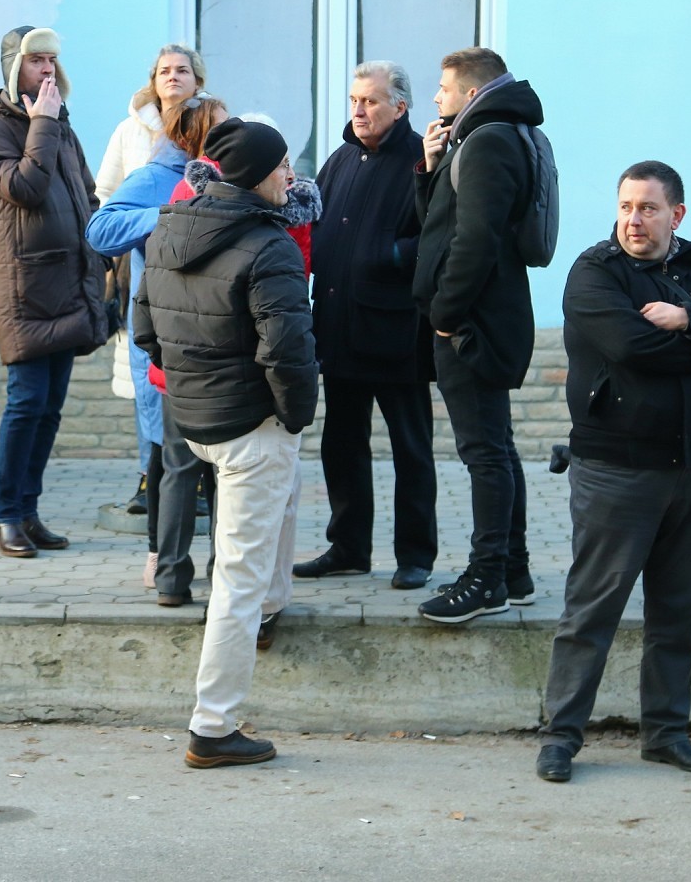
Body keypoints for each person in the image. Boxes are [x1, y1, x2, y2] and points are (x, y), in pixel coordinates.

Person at [535, 161, 691, 784]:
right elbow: (632, 346)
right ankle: (560, 737)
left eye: (648, 208)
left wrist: (688, 319)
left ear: (677, 215)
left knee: (678, 613)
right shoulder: (594, 271)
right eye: (626, 207)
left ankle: (666, 734)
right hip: (618, 468)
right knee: (592, 611)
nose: (634, 220)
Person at [132, 118, 317, 768]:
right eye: (283, 165)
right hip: (250, 428)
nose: (291, 176)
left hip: (196, 420)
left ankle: (272, 605)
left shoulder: (169, 228)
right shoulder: (271, 247)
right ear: (258, 174)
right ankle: (212, 727)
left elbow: (146, 331)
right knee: (237, 582)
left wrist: (191, 388)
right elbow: (289, 353)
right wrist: (293, 418)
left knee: (274, 518)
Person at [411, 47, 544, 623]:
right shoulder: (490, 135)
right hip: (481, 315)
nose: (436, 97)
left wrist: (446, 312)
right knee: (496, 446)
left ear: (470, 92)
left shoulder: (489, 140)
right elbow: (441, 224)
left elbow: (476, 239)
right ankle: (513, 571)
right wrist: (430, 167)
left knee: (484, 453)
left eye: (443, 88)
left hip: (473, 322)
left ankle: (487, 578)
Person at [295, 60, 437, 590]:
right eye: (355, 100)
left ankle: (416, 555)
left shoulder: (424, 158)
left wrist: (387, 256)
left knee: (410, 449)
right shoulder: (340, 158)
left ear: (400, 106)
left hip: (396, 331)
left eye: (370, 101)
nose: (359, 110)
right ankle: (348, 548)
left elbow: (440, 236)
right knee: (341, 444)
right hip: (338, 325)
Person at [0, 25, 109, 558]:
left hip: (69, 280)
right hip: (25, 285)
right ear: (14, 67)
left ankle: (28, 511)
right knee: (26, 404)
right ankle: (6, 517)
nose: (47, 69)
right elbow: (23, 188)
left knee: (49, 408)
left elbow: (85, 193)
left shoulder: (58, 124)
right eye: (36, 60)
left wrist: (101, 249)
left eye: (51, 59)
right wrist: (44, 123)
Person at [89, 95, 228, 602]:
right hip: (167, 339)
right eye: (220, 129)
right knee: (168, 459)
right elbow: (100, 230)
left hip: (218, 342)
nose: (229, 137)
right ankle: (161, 559)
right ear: (192, 136)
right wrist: (171, 214)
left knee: (216, 467)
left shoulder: (228, 176)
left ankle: (221, 569)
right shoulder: (156, 175)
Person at [95, 44, 207, 516]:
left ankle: (195, 480)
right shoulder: (131, 130)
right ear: (153, 79)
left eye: (182, 70)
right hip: (142, 265)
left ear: (198, 80)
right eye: (165, 70)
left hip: (202, 273)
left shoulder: (212, 124)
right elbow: (106, 197)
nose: (173, 76)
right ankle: (152, 474)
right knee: (147, 376)